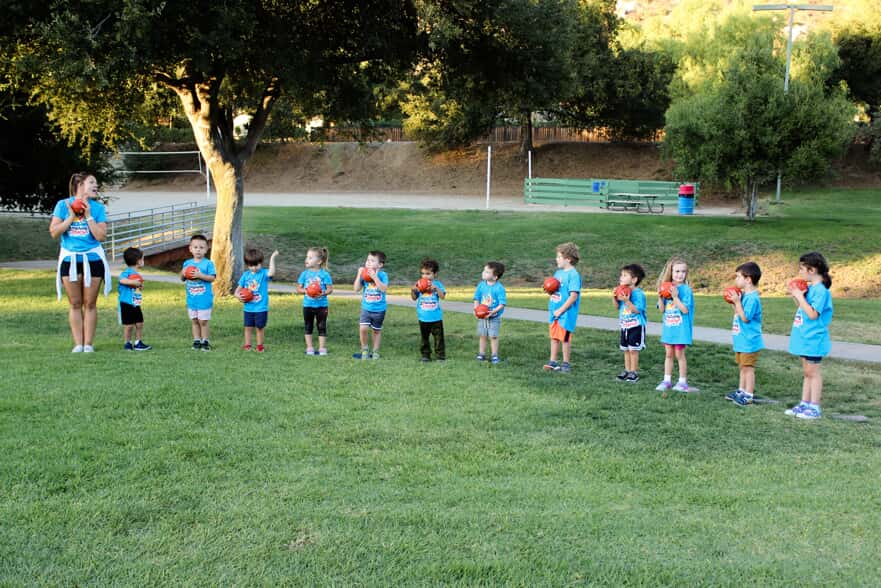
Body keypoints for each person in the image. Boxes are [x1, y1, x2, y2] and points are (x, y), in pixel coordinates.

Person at [49, 172, 111, 353]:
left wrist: (89, 215)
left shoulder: (97, 208)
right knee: (75, 303)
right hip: (70, 259)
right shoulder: (63, 205)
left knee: (90, 303)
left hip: (92, 258)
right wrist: (71, 216)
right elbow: (54, 232)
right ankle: (78, 344)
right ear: (80, 184)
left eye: (96, 183)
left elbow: (101, 236)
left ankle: (88, 344)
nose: (95, 186)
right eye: (92, 182)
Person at [784, 252, 834, 420]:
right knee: (807, 372)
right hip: (805, 337)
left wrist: (800, 296)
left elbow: (813, 314)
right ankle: (804, 403)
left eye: (802, 268)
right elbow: (803, 308)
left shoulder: (821, 291)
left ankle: (814, 407)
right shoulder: (811, 288)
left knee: (814, 373)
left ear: (812, 270)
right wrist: (796, 296)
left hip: (814, 339)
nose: (800, 272)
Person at [655, 257, 697, 392]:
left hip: (681, 330)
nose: (680, 274)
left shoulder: (686, 290)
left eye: (683, 271)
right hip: (669, 329)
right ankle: (666, 380)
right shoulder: (667, 287)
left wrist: (675, 297)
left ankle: (682, 382)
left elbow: (685, 310)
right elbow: (661, 310)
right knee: (668, 354)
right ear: (671, 272)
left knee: (679, 354)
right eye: (677, 271)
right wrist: (660, 297)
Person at [725, 262, 764, 406]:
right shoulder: (745, 296)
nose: (736, 280)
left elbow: (745, 318)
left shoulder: (753, 298)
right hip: (741, 340)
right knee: (742, 367)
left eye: (738, 276)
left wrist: (737, 302)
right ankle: (741, 391)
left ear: (748, 279)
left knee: (748, 368)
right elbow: (738, 313)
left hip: (750, 341)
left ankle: (748, 395)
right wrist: (734, 304)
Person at [543, 243, 582, 373]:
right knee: (554, 337)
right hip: (554, 311)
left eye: (559, 257)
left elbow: (573, 296)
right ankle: (552, 362)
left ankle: (566, 364)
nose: (556, 259)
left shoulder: (573, 275)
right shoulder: (558, 273)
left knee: (564, 339)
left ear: (568, 259)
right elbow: (555, 289)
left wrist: (561, 310)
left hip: (566, 313)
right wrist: (548, 290)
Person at [236, 248, 278, 352]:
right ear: (247, 265)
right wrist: (238, 296)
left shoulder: (264, 273)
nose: (254, 268)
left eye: (256, 265)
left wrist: (272, 258)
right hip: (248, 308)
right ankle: (247, 345)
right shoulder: (246, 275)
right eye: (251, 265)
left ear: (261, 263)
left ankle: (260, 346)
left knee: (259, 328)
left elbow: (271, 273)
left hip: (261, 308)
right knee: (248, 327)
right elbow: (237, 291)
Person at [180, 234, 216, 351]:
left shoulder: (208, 263)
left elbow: (212, 278)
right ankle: (196, 340)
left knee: (203, 321)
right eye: (195, 247)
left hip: (204, 299)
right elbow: (182, 278)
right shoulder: (187, 263)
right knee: (194, 321)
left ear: (206, 249)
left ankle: (205, 341)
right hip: (192, 299)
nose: (198, 250)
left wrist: (200, 275)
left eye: (201, 247)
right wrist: (183, 273)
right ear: (190, 249)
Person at [296, 246, 333, 356]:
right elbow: (298, 289)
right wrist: (306, 291)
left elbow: (330, 289)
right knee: (308, 326)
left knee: (322, 326)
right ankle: (310, 348)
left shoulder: (324, 274)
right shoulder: (305, 274)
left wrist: (323, 293)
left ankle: (322, 348)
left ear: (319, 261)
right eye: (307, 257)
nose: (307, 259)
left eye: (310, 257)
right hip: (308, 305)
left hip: (322, 305)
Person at [614, 264, 647, 383]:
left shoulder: (639, 294)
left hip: (636, 326)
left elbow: (637, 310)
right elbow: (617, 307)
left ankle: (634, 372)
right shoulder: (622, 291)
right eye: (621, 275)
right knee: (626, 349)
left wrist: (627, 300)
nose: (621, 278)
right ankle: (627, 370)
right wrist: (615, 297)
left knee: (633, 350)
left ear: (634, 279)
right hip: (625, 325)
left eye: (624, 275)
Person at [353, 250, 388, 360]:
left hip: (379, 309)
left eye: (372, 261)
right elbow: (356, 289)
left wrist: (375, 277)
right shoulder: (364, 274)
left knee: (376, 331)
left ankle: (376, 351)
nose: (368, 262)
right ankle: (364, 349)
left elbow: (383, 289)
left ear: (380, 265)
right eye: (367, 260)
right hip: (366, 308)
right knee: (363, 328)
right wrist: (359, 275)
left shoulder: (383, 275)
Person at [411, 258, 446, 362]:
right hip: (423, 317)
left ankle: (440, 356)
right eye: (423, 274)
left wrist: (436, 288)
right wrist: (413, 290)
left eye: (428, 273)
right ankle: (425, 355)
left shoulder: (437, 284)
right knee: (424, 338)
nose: (425, 276)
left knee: (439, 338)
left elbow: (442, 296)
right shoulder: (419, 284)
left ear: (435, 274)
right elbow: (414, 298)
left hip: (436, 317)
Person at [118, 247, 152, 351]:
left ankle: (138, 342)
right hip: (126, 303)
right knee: (129, 325)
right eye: (143, 259)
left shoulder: (137, 274)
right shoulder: (127, 272)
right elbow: (122, 280)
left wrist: (140, 286)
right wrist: (133, 282)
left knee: (139, 323)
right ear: (138, 261)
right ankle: (127, 343)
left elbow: (136, 286)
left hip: (136, 303)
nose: (143, 261)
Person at [473, 261, 507, 364]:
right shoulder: (481, 285)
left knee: (493, 336)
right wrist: (476, 310)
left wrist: (493, 312)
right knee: (482, 335)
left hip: (494, 317)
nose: (484, 273)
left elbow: (502, 304)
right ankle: (481, 354)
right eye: (484, 270)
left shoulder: (499, 288)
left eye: (487, 272)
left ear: (495, 277)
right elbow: (476, 298)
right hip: (482, 317)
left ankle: (494, 355)